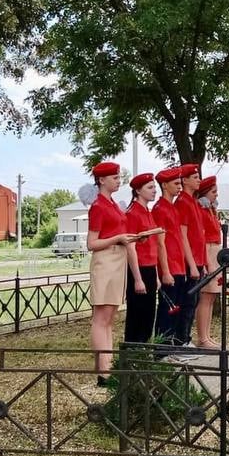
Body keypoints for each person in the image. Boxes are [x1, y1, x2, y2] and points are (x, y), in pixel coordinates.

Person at [85, 162, 137, 386]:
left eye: (118, 176)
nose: (118, 180)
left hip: (117, 259)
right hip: (105, 261)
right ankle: (103, 371)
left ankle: (108, 365)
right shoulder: (98, 206)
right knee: (101, 318)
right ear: (102, 180)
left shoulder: (113, 204)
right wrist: (117, 239)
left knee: (110, 317)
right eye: (114, 177)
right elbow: (91, 243)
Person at [124, 173, 164, 344]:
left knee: (149, 314)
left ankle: (144, 350)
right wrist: (138, 279)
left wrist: (155, 275)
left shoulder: (147, 212)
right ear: (138, 191)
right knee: (137, 315)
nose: (154, 190)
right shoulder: (132, 213)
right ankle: (133, 352)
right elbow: (131, 246)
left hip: (149, 268)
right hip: (138, 269)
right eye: (150, 187)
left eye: (154, 187)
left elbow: (152, 247)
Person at [152, 167, 189, 344]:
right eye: (176, 183)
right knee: (167, 309)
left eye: (180, 183)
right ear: (164, 185)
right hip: (170, 266)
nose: (179, 187)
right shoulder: (160, 209)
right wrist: (165, 271)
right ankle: (162, 349)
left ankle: (172, 344)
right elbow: (160, 243)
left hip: (178, 265)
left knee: (177, 308)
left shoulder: (172, 208)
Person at [175, 164, 205, 345]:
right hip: (189, 260)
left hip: (198, 259)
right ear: (184, 180)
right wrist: (192, 263)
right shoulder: (182, 202)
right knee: (186, 302)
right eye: (195, 177)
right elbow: (183, 235)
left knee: (193, 302)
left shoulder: (193, 201)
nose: (198, 180)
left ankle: (186, 338)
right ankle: (181, 340)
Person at [193, 175, 223, 349]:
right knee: (206, 295)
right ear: (204, 193)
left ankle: (207, 335)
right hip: (208, 251)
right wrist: (207, 262)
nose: (216, 195)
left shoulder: (211, 209)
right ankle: (202, 337)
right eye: (213, 192)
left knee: (211, 296)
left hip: (215, 250)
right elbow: (202, 237)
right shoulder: (202, 210)